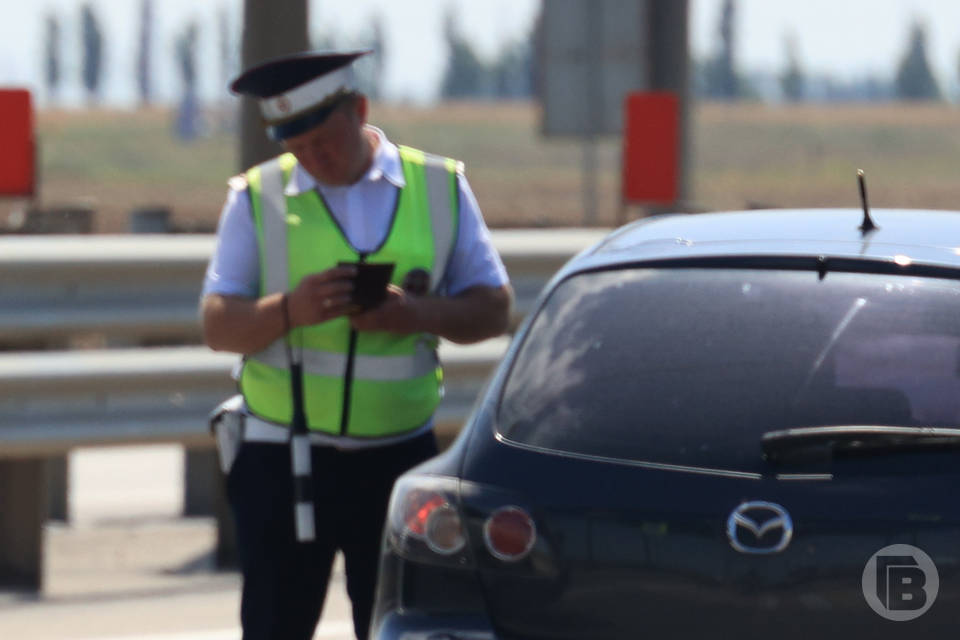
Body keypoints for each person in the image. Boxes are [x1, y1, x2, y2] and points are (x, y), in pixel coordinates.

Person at [200, 50, 512, 640]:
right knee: (274, 625)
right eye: (299, 147)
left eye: (326, 140)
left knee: (399, 625)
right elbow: (218, 324)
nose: (314, 157)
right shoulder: (257, 196)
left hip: (399, 460)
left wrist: (413, 314)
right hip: (284, 457)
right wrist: (292, 309)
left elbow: (493, 309)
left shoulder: (440, 187)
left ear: (359, 111)